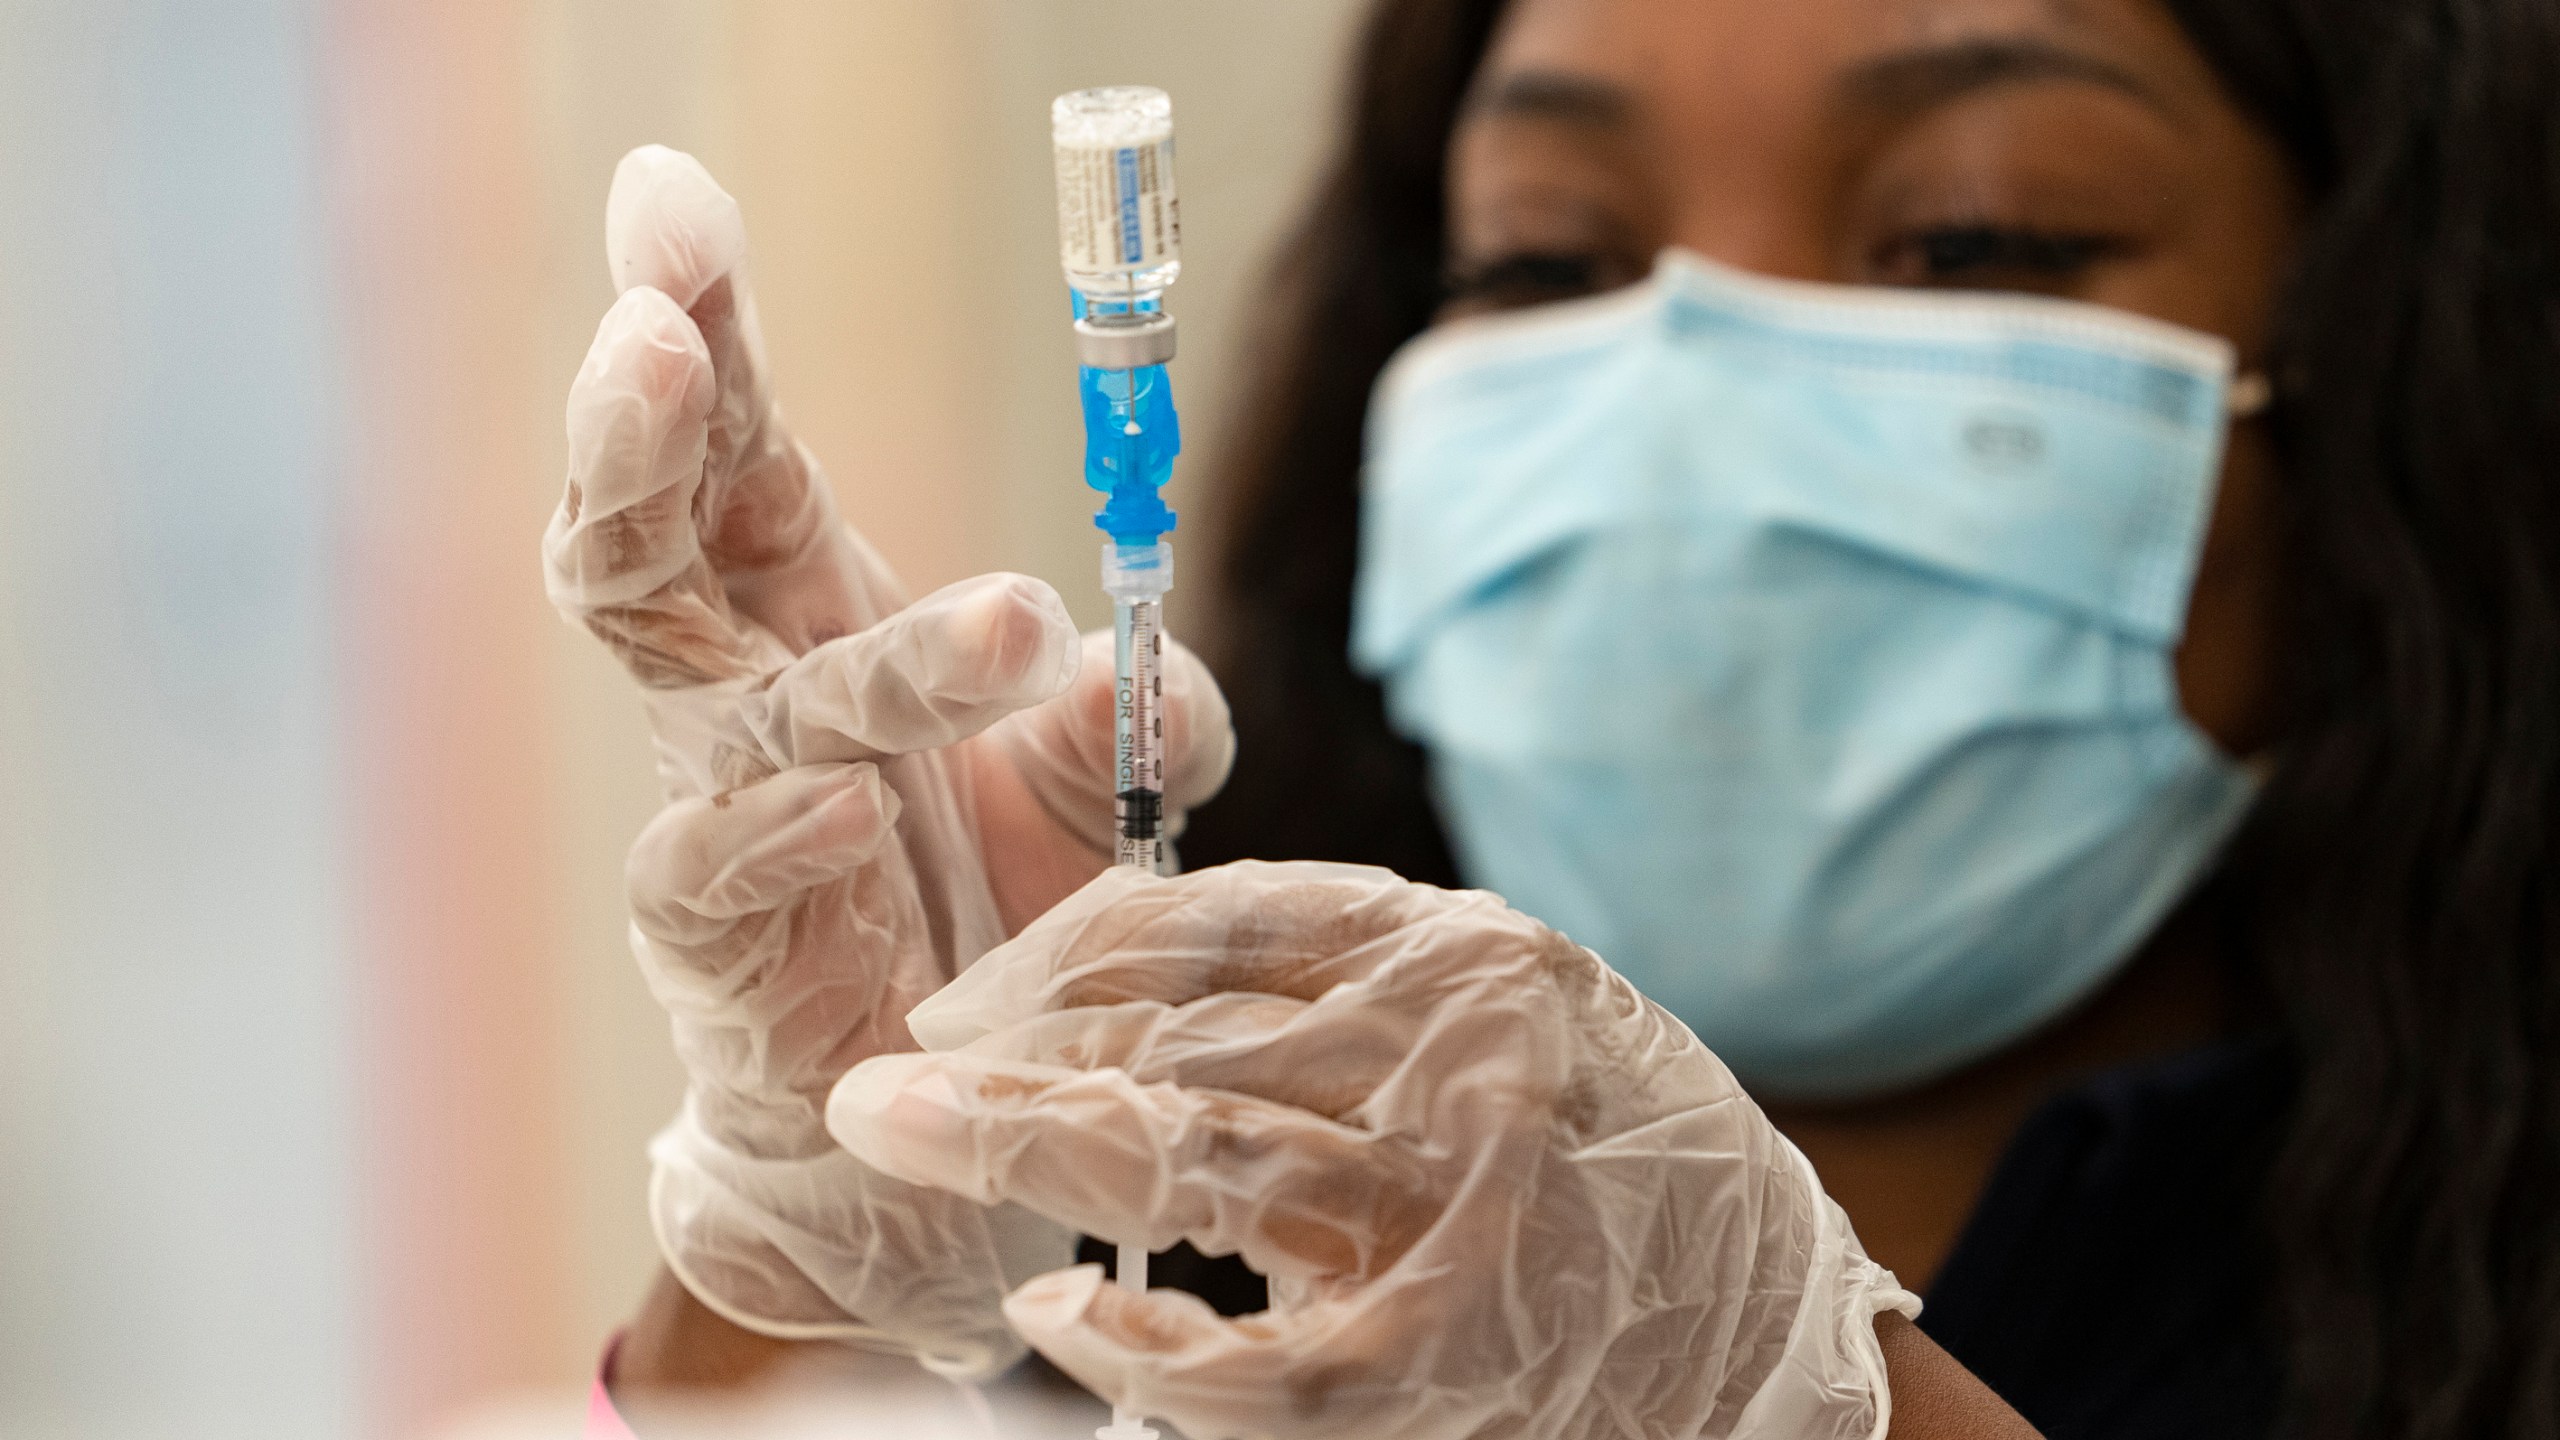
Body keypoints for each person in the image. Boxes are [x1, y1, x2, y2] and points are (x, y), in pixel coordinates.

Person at [545, 0, 2560, 1432]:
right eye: (1544, 257)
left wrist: (1800, 1403)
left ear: (2410, 373)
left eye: (1975, 234)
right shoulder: (1221, 1335)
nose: (1676, 387)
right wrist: (809, 1305)